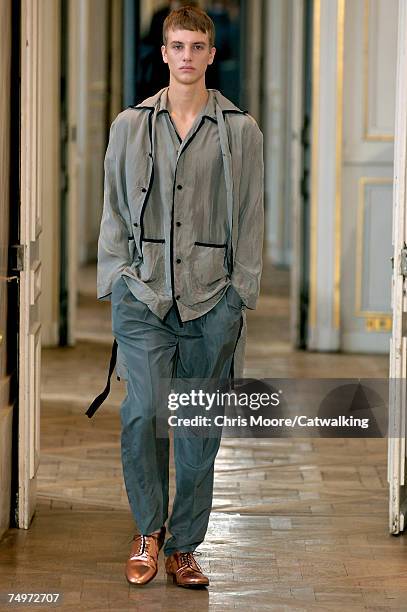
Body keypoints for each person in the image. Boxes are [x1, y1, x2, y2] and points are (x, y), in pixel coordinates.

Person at [90, 4, 264, 588]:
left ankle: (184, 546)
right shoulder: (129, 126)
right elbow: (113, 208)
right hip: (143, 296)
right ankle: (147, 530)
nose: (186, 57)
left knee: (196, 428)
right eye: (177, 46)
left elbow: (252, 217)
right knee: (142, 412)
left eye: (197, 46)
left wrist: (240, 295)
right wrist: (118, 277)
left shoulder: (240, 131)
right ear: (163, 53)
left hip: (212, 298)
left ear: (212, 54)